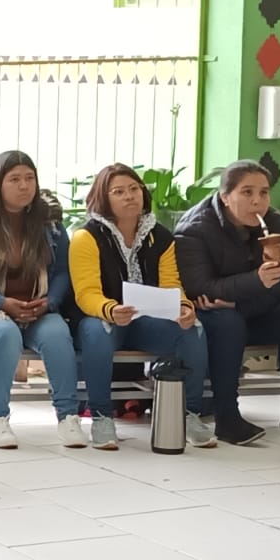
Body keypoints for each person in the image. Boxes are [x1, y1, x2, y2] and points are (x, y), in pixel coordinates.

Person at [175, 159, 280, 446]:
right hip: (210, 315)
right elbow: (200, 288)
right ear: (225, 197)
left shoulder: (275, 222)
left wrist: (242, 303)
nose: (257, 201)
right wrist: (256, 281)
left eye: (264, 193)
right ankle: (227, 416)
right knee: (228, 322)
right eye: (247, 192)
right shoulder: (195, 229)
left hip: (249, 308)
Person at [67, 164, 215, 451]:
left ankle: (190, 415)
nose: (129, 196)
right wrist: (110, 309)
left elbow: (171, 283)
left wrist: (184, 307)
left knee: (193, 328)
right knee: (97, 331)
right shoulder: (87, 237)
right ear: (103, 198)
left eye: (134, 189)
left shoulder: (160, 236)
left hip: (148, 320)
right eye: (118, 192)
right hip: (105, 316)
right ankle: (101, 417)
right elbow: (86, 293)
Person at [0, 150, 84, 449]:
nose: (24, 186)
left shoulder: (49, 221)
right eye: (15, 179)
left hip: (36, 306)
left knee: (58, 333)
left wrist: (49, 302)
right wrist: (1, 302)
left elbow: (63, 271)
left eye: (29, 178)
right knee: (4, 333)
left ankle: (68, 417)